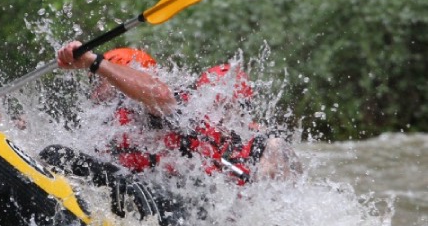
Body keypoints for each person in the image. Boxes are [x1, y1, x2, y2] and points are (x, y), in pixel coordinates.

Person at [53, 41, 301, 184]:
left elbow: (160, 95)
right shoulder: (106, 122)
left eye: (100, 82)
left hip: (187, 199)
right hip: (154, 187)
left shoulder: (153, 104)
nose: (94, 91)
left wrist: (95, 63)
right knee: (57, 155)